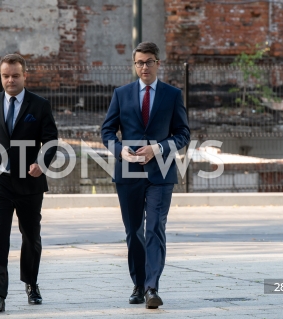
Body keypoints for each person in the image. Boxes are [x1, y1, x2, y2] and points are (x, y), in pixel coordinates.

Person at [101, 42, 190, 309]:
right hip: (127, 172)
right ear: (134, 65)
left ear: (158, 64)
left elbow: (183, 134)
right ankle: (138, 285)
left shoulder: (172, 95)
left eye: (149, 62)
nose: (144, 67)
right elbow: (107, 131)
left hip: (161, 173)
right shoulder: (122, 94)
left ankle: (152, 288)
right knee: (134, 232)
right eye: (139, 62)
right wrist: (120, 151)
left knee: (154, 229)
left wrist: (158, 148)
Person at [0, 54, 58, 313]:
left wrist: (41, 164)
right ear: (1, 77)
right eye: (5, 76)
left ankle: (31, 283)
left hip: (30, 182)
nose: (10, 80)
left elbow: (51, 141)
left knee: (31, 236)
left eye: (15, 75)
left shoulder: (40, 105)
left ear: (25, 76)